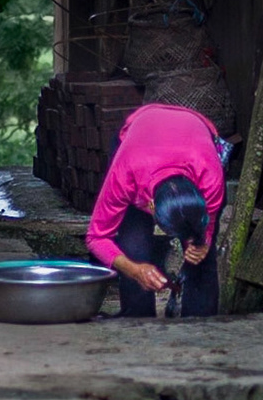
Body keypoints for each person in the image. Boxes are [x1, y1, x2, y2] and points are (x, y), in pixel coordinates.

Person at [86, 102, 225, 317]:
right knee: (134, 247)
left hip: (196, 133)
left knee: (201, 258)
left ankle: (201, 327)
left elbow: (208, 226)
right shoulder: (126, 174)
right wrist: (134, 269)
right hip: (139, 137)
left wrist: (203, 243)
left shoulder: (211, 178)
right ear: (149, 205)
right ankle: (138, 323)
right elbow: (96, 237)